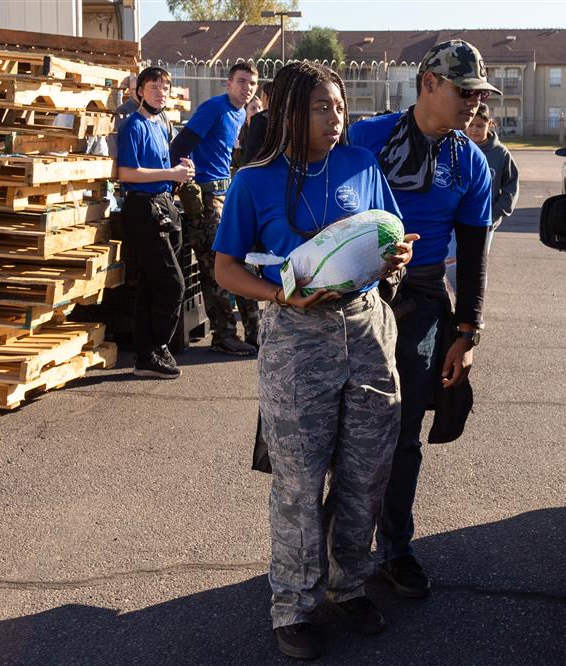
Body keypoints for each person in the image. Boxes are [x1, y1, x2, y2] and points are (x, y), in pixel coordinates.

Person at [212, 61, 417, 661]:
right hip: (297, 339)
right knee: (300, 483)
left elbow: (388, 234)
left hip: (369, 331)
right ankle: (293, 606)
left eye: (340, 107)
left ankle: (347, 584)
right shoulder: (255, 181)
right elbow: (226, 269)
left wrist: (397, 257)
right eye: (322, 107)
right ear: (288, 112)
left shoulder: (361, 165)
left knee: (366, 473)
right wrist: (281, 293)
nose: (336, 119)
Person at [349, 39, 498, 598]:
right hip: (355, 291)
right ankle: (334, 546)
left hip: (422, 299)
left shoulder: (470, 161)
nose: (474, 103)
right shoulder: (366, 138)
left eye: (480, 94)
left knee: (405, 431)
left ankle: (395, 549)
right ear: (428, 84)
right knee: (347, 425)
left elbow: (476, 251)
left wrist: (468, 332)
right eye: (466, 91)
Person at [170, 63, 260, 355]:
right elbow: (180, 145)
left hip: (227, 194)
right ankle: (224, 335)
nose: (247, 88)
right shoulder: (215, 108)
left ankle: (255, 334)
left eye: (252, 84)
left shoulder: (239, 112)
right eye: (242, 82)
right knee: (218, 268)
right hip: (207, 200)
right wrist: (178, 179)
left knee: (244, 263)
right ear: (228, 83)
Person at [115, 67, 195, 378]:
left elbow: (165, 168)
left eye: (165, 88)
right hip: (143, 207)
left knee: (152, 285)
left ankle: (145, 356)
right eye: (154, 87)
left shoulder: (162, 122)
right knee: (173, 285)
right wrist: (169, 174)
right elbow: (127, 174)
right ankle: (158, 347)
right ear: (139, 91)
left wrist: (182, 169)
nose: (160, 93)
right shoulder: (133, 125)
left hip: (165, 204)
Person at [464, 103, 519, 251]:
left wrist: (494, 215)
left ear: (490, 124)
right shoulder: (457, 147)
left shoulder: (500, 153)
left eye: (480, 125)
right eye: (471, 124)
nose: (474, 129)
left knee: (476, 268)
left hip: (484, 223)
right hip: (454, 221)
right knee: (450, 268)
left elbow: (511, 188)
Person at [242, 81, 272, 165]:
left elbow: (251, 156)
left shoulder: (260, 120)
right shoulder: (239, 132)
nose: (258, 111)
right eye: (253, 108)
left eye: (259, 107)